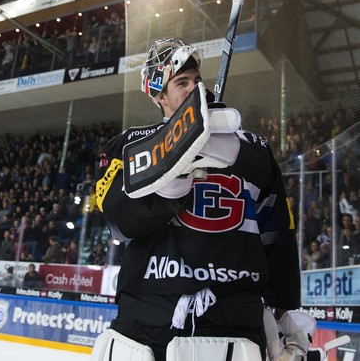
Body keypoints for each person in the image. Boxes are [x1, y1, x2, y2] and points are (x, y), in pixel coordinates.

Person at [91, 38, 300, 360]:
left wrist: (287, 311)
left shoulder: (253, 149)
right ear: (159, 94)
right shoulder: (128, 146)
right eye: (182, 82)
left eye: (197, 81)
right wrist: (170, 174)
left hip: (234, 318)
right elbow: (118, 226)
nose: (194, 88)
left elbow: (277, 235)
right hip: (146, 318)